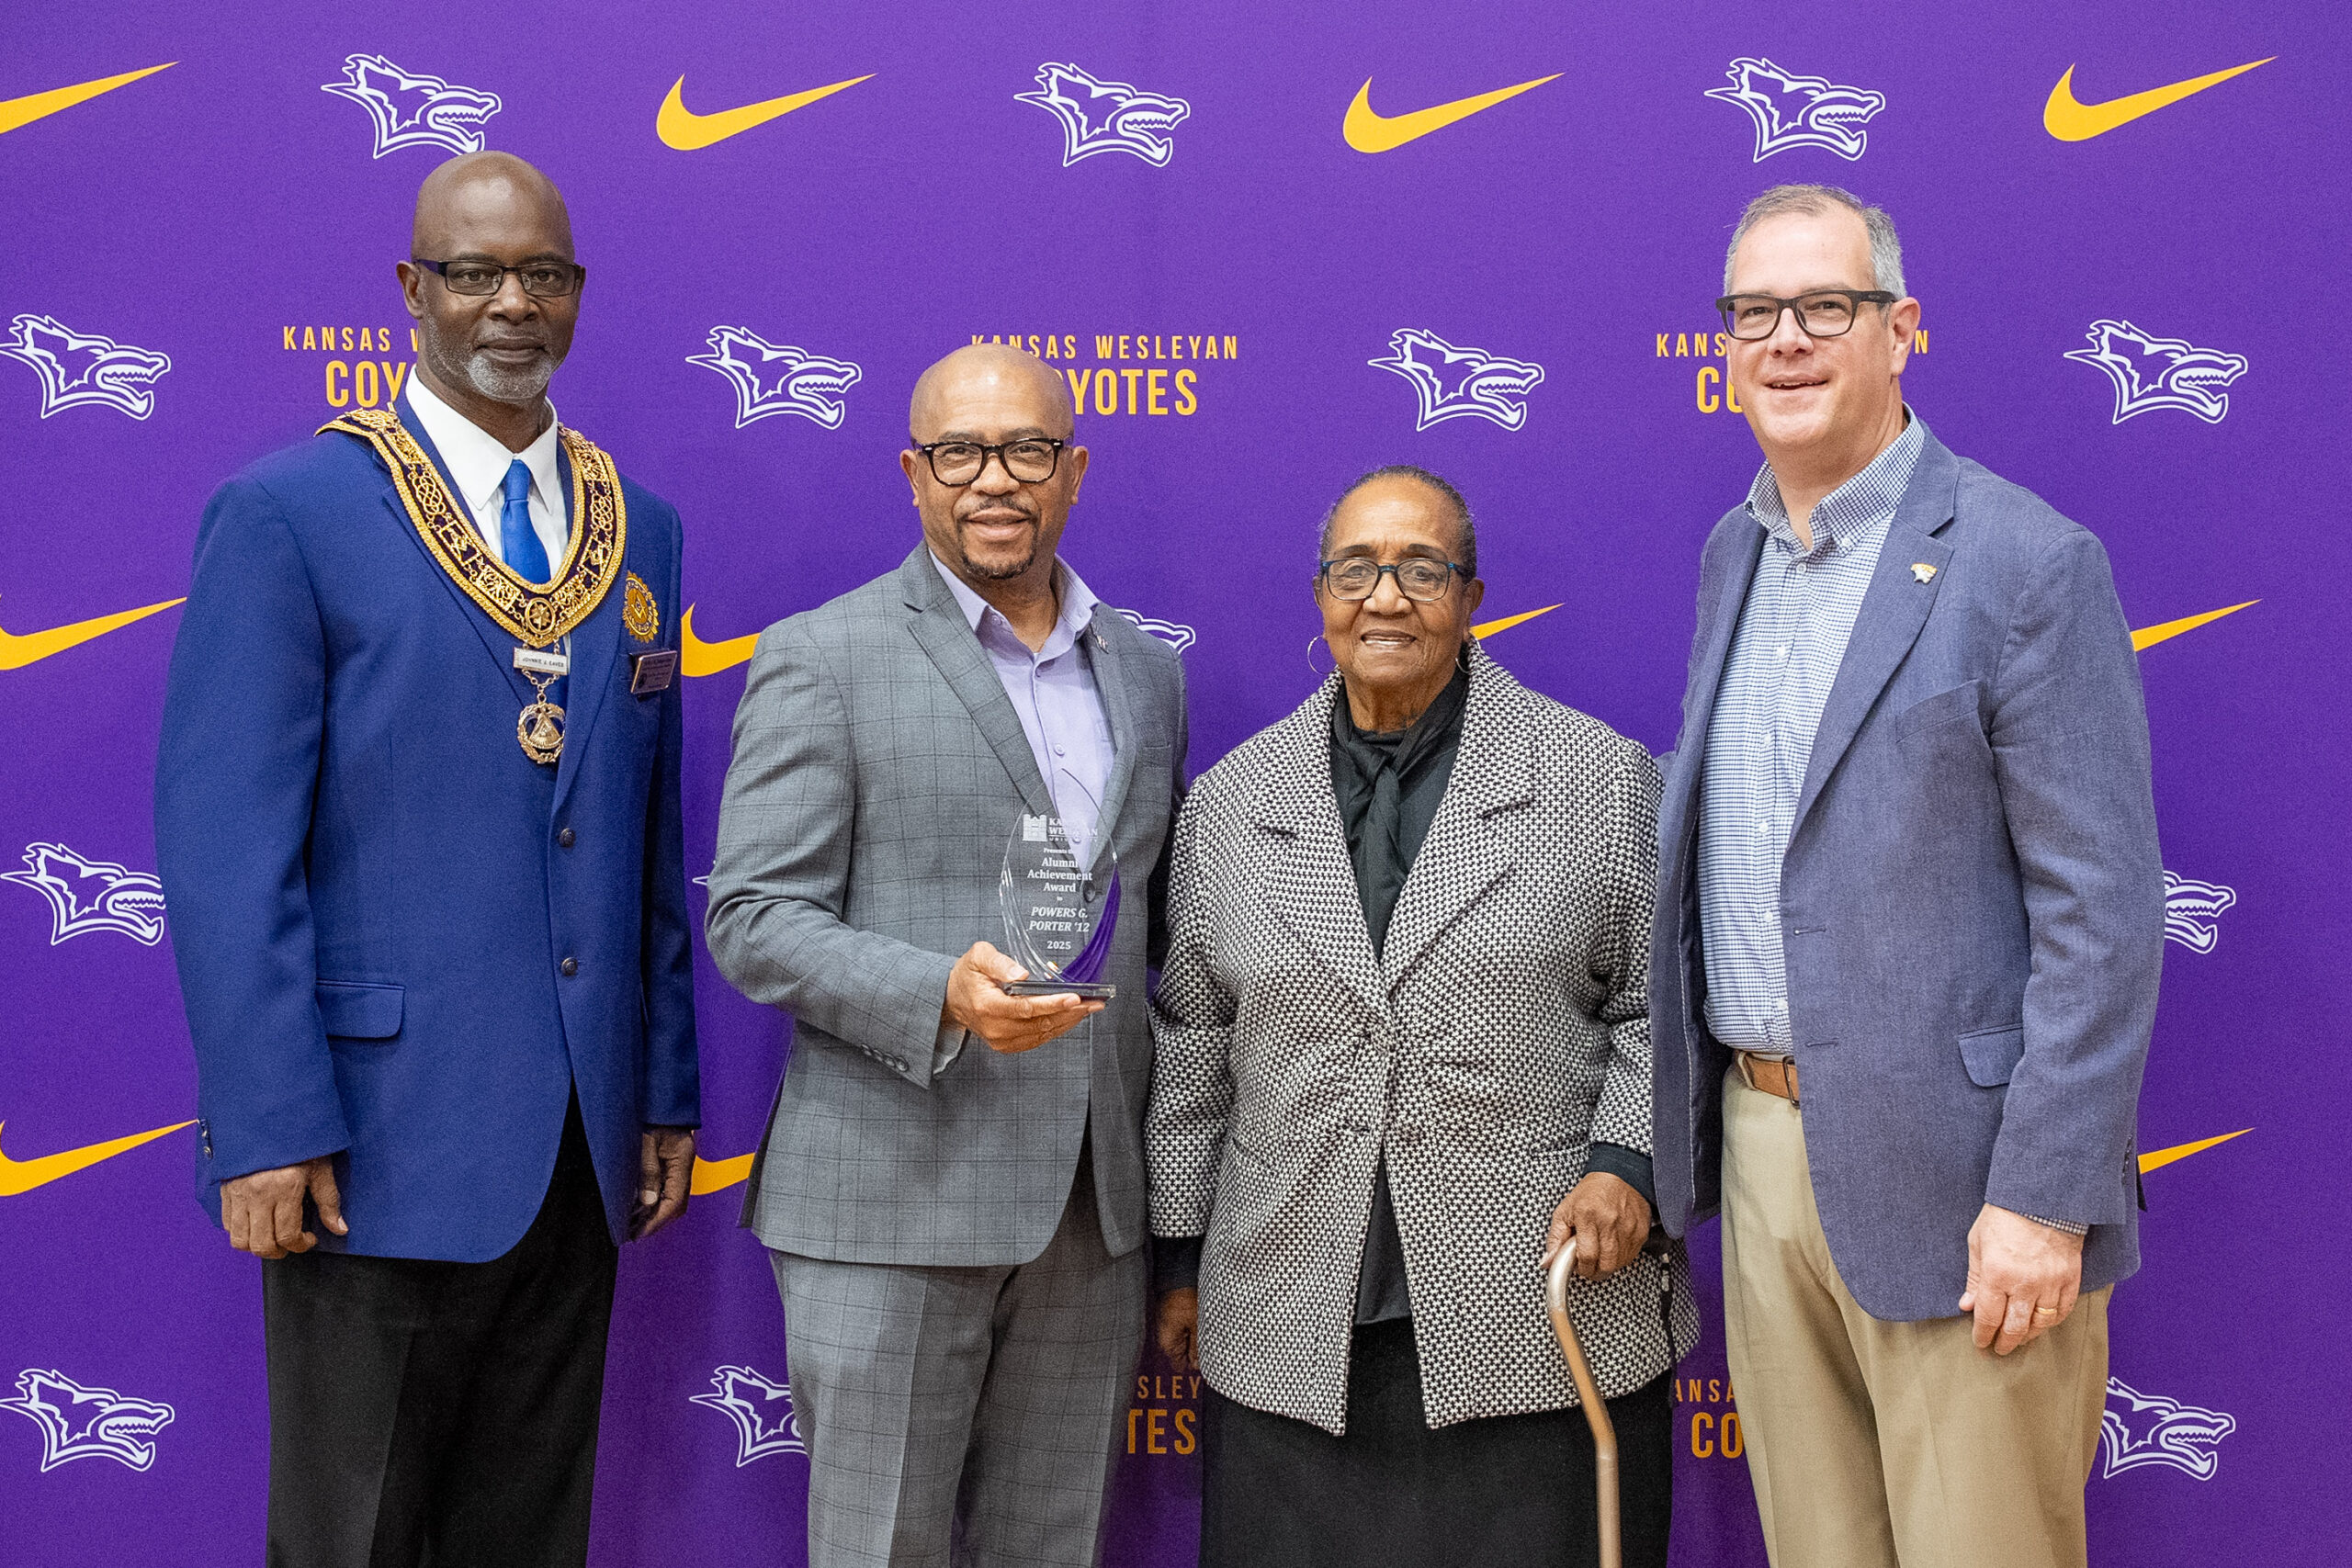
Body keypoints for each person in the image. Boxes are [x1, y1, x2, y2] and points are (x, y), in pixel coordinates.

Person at [154, 153, 699, 1567]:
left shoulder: (641, 529)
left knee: (529, 1534)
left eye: (545, 275)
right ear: (413, 291)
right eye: (474, 273)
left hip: (579, 1147)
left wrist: (659, 1089)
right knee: (358, 1536)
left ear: (578, 293)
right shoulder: (291, 514)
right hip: (368, 1147)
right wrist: (265, 1121)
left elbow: (645, 841)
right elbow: (226, 855)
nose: (512, 304)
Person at [1649, 184, 2164, 1568]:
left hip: (1967, 1185)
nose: (1788, 340)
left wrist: (2047, 1195)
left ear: (1901, 330)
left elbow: (2103, 916)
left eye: (1828, 306)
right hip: (1763, 1151)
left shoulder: (2024, 562)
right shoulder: (1731, 554)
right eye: (1756, 312)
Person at [1147, 466, 1696, 1568]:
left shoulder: (1596, 779)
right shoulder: (1230, 803)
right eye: (1356, 569)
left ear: (1473, 593)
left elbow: (1661, 1006)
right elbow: (1195, 1044)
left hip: (1538, 1317)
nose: (1385, 597)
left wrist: (1628, 1163)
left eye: (1421, 570)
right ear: (1319, 596)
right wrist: (1179, 1257)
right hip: (1284, 1316)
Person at [704, 344, 1188, 1568]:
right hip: (889, 1196)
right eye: (959, 453)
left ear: (1072, 469)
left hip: (1090, 1212)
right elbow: (753, 914)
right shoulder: (826, 653)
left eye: (1026, 450)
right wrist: (939, 993)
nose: (994, 480)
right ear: (913, 473)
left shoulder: (1145, 670)